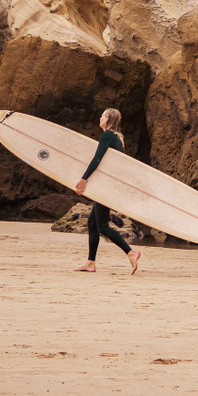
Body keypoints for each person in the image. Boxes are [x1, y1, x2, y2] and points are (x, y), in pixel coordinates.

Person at [73, 108, 140, 274]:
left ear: (108, 119)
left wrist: (84, 178)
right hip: (109, 185)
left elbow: (97, 159)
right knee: (92, 223)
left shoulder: (107, 136)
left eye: (103, 116)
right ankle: (90, 262)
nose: (100, 117)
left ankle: (131, 252)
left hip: (107, 187)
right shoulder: (118, 138)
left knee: (102, 226)